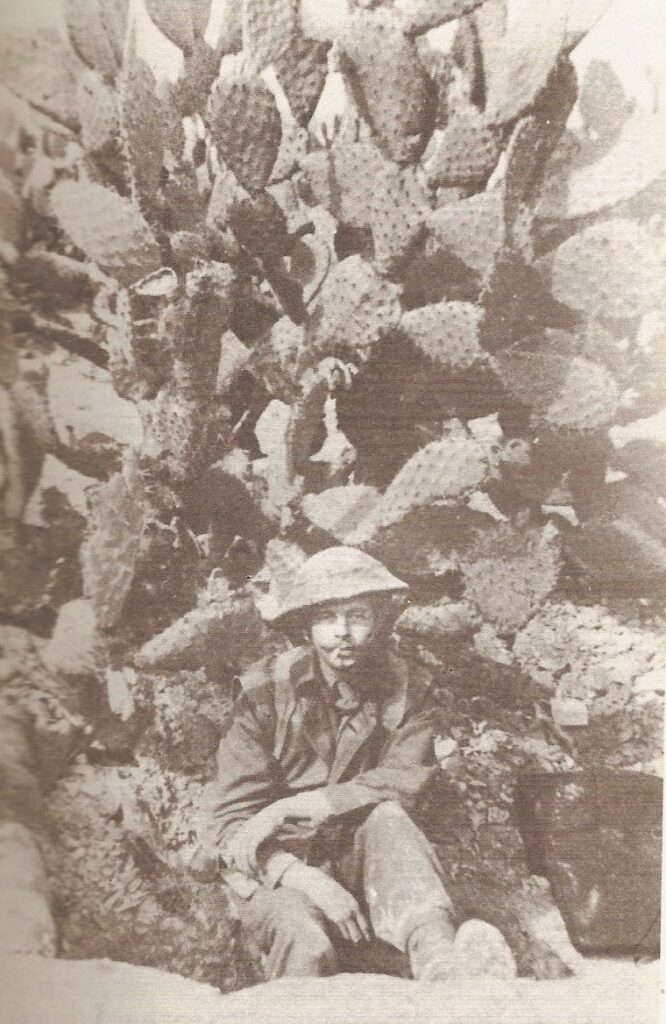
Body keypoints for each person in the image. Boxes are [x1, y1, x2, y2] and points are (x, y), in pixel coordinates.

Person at [200, 546, 516, 982]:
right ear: (306, 625)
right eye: (327, 617)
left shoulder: (408, 688)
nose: (343, 632)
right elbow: (229, 825)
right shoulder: (264, 692)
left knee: (389, 819)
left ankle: (443, 967)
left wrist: (298, 805)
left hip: (363, 855)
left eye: (358, 616)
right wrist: (308, 880)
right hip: (277, 865)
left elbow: (406, 778)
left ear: (381, 620)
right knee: (307, 945)